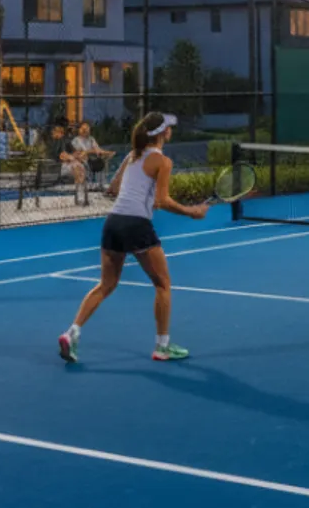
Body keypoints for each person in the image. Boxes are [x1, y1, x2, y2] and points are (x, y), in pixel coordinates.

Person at [58, 112, 209, 364]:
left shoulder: (132, 156)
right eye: (169, 127)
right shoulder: (163, 161)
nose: (171, 130)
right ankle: (162, 347)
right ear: (163, 133)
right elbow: (163, 200)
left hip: (113, 223)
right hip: (136, 225)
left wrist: (145, 196)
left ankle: (71, 333)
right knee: (162, 285)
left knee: (106, 285)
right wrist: (191, 212)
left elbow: (114, 189)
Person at [44, 119, 88, 205]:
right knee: (78, 167)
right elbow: (59, 156)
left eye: (55, 131)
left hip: (66, 166)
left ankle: (80, 195)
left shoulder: (64, 141)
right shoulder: (53, 144)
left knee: (79, 167)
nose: (53, 133)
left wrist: (71, 157)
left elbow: (75, 152)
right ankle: (81, 196)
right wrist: (69, 157)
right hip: (57, 168)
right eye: (54, 131)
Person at [72, 120, 114, 192]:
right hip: (82, 161)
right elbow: (80, 153)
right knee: (84, 161)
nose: (85, 130)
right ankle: (86, 185)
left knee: (102, 161)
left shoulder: (91, 139)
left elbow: (97, 149)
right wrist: (90, 151)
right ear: (79, 129)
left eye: (87, 129)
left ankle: (100, 185)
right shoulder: (76, 140)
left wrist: (107, 153)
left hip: (91, 159)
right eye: (83, 128)